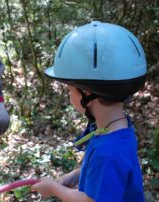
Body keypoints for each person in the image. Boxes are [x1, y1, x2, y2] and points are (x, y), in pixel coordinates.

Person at [31, 21, 146, 202]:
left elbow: (89, 200)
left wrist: (54, 188)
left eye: (70, 89)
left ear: (87, 93)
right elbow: (111, 174)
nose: (69, 95)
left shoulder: (107, 151)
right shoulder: (118, 129)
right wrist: (77, 174)